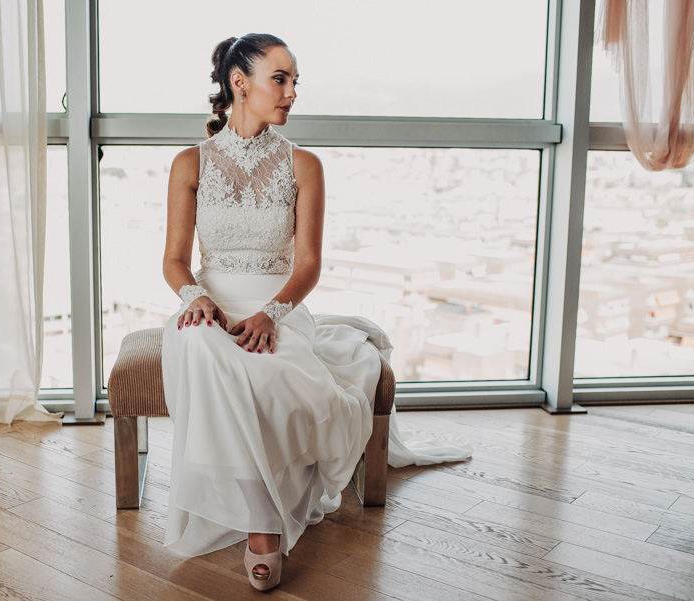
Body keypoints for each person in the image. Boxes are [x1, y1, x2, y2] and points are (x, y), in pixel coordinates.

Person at [160, 33, 470, 592]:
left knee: (270, 372)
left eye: (295, 81)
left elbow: (308, 265)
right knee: (202, 344)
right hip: (207, 306)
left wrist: (271, 314)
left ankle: (261, 521)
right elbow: (175, 261)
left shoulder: (304, 165)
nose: (292, 93)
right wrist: (195, 298)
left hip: (277, 308)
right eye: (280, 79)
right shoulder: (190, 163)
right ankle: (263, 524)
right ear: (240, 83)